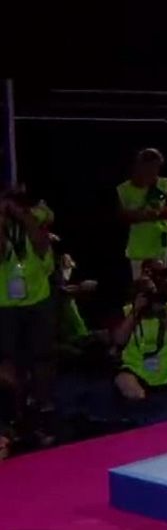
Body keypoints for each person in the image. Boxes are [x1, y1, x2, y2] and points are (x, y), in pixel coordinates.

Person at [0, 189, 57, 447]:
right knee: (10, 359)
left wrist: (23, 216)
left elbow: (42, 243)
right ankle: (15, 411)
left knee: (42, 355)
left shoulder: (35, 216)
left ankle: (43, 405)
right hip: (5, 303)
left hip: (38, 297)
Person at [113, 276, 167, 401]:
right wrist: (135, 311)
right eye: (146, 294)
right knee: (128, 387)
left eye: (152, 292)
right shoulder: (126, 312)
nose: (150, 297)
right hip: (136, 368)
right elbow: (119, 340)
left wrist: (165, 316)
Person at [116, 149, 167, 280]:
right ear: (140, 166)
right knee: (141, 283)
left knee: (162, 281)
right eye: (150, 167)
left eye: (157, 167)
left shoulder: (163, 184)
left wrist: (159, 212)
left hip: (161, 240)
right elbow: (122, 216)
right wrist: (141, 215)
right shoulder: (124, 189)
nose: (154, 171)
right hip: (139, 245)